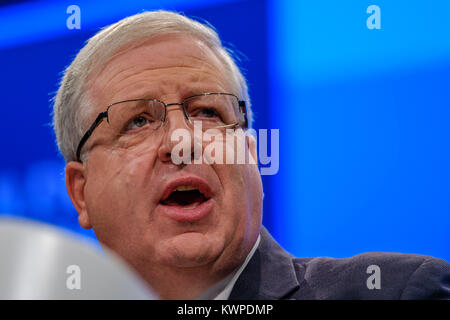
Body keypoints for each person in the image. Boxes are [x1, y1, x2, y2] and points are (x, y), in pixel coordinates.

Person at [52, 10, 450, 300]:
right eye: (138, 121)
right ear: (81, 192)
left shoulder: (402, 291)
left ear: (250, 153)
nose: (182, 141)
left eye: (208, 112)